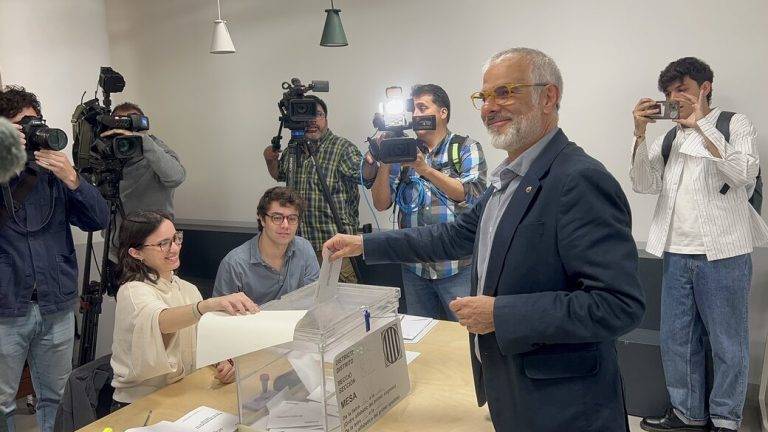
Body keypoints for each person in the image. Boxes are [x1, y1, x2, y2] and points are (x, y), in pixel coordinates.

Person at [324, 47, 645, 431]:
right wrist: (365, 245)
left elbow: (618, 305)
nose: (490, 106)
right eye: (484, 96)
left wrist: (499, 313)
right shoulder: (510, 180)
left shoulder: (578, 179)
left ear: (549, 97)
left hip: (564, 406)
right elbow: (453, 235)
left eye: (506, 92)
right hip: (514, 390)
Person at [631, 57, 767, 432]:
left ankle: (725, 420)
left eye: (683, 90)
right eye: (670, 93)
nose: (676, 99)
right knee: (676, 340)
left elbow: (743, 173)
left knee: (728, 344)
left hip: (724, 252)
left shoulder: (733, 123)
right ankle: (687, 413)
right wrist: (640, 134)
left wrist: (702, 127)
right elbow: (643, 183)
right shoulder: (670, 136)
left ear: (705, 87)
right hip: (675, 250)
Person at [0, 85, 110, 432]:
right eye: (23, 125)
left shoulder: (53, 173)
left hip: (56, 306)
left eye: (37, 122)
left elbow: (99, 219)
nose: (34, 132)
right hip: (6, 308)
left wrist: (73, 178)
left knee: (57, 397)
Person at [110, 210, 258, 407]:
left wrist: (221, 362)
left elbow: (202, 343)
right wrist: (206, 306)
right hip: (139, 404)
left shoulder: (187, 289)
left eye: (175, 239)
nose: (174, 248)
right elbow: (161, 321)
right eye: (163, 244)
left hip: (181, 392)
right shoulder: (132, 291)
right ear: (136, 252)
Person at [370, 84, 486, 320]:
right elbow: (381, 203)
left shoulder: (464, 147)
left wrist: (424, 169)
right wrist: (384, 161)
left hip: (456, 267)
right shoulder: (402, 150)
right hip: (414, 267)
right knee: (422, 340)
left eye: (423, 107)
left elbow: (471, 193)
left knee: (461, 340)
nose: (416, 115)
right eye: (413, 109)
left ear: (443, 112)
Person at [263, 96, 377, 283]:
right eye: (307, 116)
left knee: (340, 305)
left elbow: (366, 176)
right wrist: (270, 160)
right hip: (298, 247)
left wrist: (372, 161)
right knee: (304, 303)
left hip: (335, 247)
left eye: (318, 115)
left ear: (326, 118)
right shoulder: (293, 148)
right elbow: (280, 175)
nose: (312, 121)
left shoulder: (342, 148)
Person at [100, 102, 186, 295]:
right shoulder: (108, 160)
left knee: (160, 309)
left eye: (131, 127)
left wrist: (143, 141)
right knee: (128, 311)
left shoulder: (156, 152)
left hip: (158, 253)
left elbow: (176, 176)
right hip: (119, 254)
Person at [212, 187, 319, 303]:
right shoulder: (235, 264)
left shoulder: (305, 249)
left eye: (292, 218)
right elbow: (220, 316)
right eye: (277, 218)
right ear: (262, 219)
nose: (285, 225)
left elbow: (314, 300)